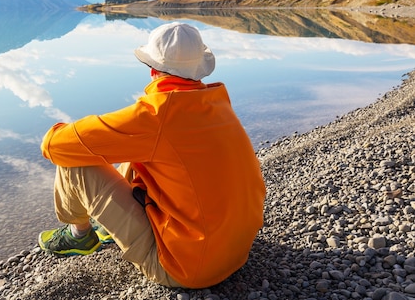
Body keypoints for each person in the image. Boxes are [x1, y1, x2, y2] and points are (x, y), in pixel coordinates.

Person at [37, 22, 266, 289]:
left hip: (187, 268)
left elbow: (53, 145)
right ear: (198, 70)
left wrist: (80, 131)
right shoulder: (215, 103)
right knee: (140, 153)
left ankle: (80, 236)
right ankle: (113, 228)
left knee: (74, 163)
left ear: (153, 69)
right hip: (236, 250)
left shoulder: (156, 116)